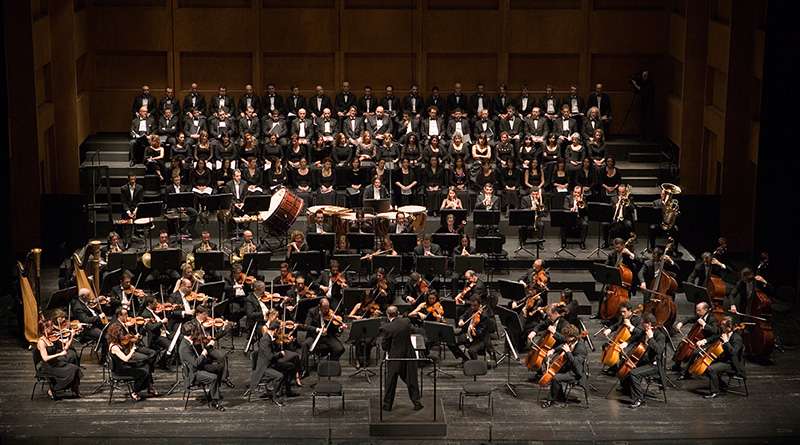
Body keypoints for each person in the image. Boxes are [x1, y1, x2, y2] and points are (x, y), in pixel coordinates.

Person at [381, 306, 423, 411]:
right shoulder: (406, 321)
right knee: (412, 379)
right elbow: (413, 330)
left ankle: (387, 405)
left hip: (395, 357)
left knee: (391, 380)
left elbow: (384, 346)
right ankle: (417, 403)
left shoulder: (387, 328)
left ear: (388, 315)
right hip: (409, 354)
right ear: (398, 313)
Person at [620, 313, 666, 409]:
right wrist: (626, 343)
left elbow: (659, 350)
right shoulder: (645, 331)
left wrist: (651, 339)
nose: (641, 325)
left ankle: (639, 399)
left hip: (654, 365)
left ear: (648, 324)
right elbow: (635, 337)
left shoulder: (659, 335)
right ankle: (628, 390)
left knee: (633, 373)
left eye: (642, 323)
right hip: (644, 360)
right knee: (628, 366)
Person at [178, 323, 225, 411]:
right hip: (193, 373)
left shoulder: (189, 342)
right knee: (214, 378)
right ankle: (215, 402)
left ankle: (213, 393)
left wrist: (207, 346)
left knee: (219, 368)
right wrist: (204, 353)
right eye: (195, 331)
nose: (196, 333)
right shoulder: (184, 347)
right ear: (191, 332)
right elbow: (196, 363)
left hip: (198, 367)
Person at [541, 324, 587, 409]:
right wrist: (553, 350)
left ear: (573, 336)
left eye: (567, 337)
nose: (565, 339)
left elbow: (575, 363)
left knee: (555, 378)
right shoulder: (572, 341)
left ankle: (550, 400)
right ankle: (560, 395)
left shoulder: (581, 348)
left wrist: (568, 352)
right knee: (552, 368)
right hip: (569, 366)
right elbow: (563, 345)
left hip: (575, 372)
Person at [36, 319, 83, 400]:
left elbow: (64, 348)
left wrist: (71, 337)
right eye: (51, 326)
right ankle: (53, 389)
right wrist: (59, 354)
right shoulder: (41, 342)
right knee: (70, 372)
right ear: (46, 329)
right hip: (48, 367)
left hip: (56, 363)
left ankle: (75, 388)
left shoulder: (52, 337)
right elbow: (45, 358)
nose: (53, 328)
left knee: (75, 368)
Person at [673, 302, 721, 380]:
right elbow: (690, 319)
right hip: (699, 340)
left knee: (695, 352)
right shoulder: (700, 315)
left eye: (699, 310)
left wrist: (704, 326)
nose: (697, 312)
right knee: (682, 344)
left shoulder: (712, 319)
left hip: (708, 342)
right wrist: (681, 323)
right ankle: (676, 365)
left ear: (705, 310)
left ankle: (687, 373)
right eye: (696, 310)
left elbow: (716, 332)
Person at [106, 322, 154, 402]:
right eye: (120, 332)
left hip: (123, 365)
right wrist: (132, 351)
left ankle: (149, 387)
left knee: (146, 366)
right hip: (121, 369)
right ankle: (135, 391)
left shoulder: (117, 342)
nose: (122, 334)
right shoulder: (114, 347)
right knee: (143, 373)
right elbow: (125, 359)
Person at [702, 316, 745, 398]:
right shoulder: (725, 334)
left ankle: (715, 392)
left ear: (729, 327)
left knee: (711, 369)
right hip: (724, 359)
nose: (721, 326)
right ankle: (722, 385)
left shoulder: (737, 338)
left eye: (723, 325)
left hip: (732, 363)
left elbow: (733, 352)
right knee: (704, 365)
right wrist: (704, 342)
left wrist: (725, 342)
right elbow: (715, 338)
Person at [248, 320, 288, 407]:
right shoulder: (265, 340)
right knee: (279, 376)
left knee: (289, 366)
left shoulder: (270, 338)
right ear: (276, 330)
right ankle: (274, 396)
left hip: (271, 364)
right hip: (264, 367)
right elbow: (270, 356)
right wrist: (280, 354)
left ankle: (286, 391)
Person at [449, 296, 490, 362]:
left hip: (480, 339)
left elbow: (481, 332)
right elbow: (463, 315)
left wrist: (474, 330)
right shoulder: (472, 308)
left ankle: (475, 366)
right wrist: (461, 320)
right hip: (469, 335)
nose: (473, 307)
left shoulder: (484, 315)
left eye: (475, 305)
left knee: (471, 351)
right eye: (472, 305)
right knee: (451, 342)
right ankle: (465, 360)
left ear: (479, 304)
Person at [348, 291, 381, 368]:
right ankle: (358, 359)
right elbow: (350, 315)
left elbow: (374, 321)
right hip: (359, 328)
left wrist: (375, 315)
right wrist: (356, 317)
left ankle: (367, 357)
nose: (367, 300)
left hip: (369, 329)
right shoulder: (358, 305)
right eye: (366, 298)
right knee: (358, 340)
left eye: (369, 298)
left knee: (369, 341)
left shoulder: (373, 306)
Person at [602, 184, 635, 248]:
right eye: (620, 192)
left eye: (623, 192)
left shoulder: (630, 198)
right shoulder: (613, 198)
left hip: (625, 219)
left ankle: (627, 243)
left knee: (628, 224)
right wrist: (616, 206)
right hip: (615, 218)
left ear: (626, 192)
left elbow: (632, 209)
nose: (621, 194)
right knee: (604, 224)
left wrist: (627, 203)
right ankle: (606, 243)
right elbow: (610, 210)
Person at [631, 71, 655, 141]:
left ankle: (651, 137)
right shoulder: (643, 83)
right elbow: (637, 91)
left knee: (650, 121)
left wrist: (635, 85)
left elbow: (643, 91)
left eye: (644, 76)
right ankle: (642, 136)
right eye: (642, 76)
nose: (643, 78)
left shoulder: (651, 84)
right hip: (643, 105)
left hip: (649, 105)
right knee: (642, 121)